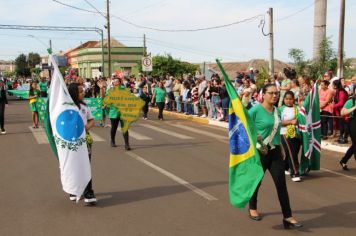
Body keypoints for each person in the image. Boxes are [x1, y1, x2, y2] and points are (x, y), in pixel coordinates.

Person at [248, 84, 302, 229]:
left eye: (276, 93)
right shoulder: (255, 110)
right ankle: (252, 207)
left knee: (281, 185)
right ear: (263, 94)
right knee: (257, 182)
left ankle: (288, 216)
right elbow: (244, 127)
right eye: (271, 93)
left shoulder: (277, 111)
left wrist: (281, 147)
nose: (274, 96)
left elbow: (276, 127)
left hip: (276, 152)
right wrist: (254, 136)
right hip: (260, 152)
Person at [67, 83, 97, 204]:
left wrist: (85, 128)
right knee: (73, 165)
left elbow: (91, 120)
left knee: (86, 165)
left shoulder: (85, 106)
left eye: (83, 90)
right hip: (71, 141)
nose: (83, 93)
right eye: (80, 91)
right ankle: (73, 189)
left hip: (85, 140)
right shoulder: (67, 108)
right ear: (74, 93)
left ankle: (88, 193)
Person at [279, 91, 301, 182]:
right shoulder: (280, 109)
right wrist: (290, 122)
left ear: (294, 99)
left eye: (290, 99)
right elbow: (279, 122)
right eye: (286, 99)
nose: (288, 101)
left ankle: (284, 166)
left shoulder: (297, 109)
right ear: (284, 99)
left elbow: (301, 120)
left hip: (296, 134)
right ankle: (295, 173)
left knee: (293, 152)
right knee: (292, 153)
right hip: (284, 133)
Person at [108, 78, 131, 150]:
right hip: (114, 112)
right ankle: (112, 140)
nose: (116, 83)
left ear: (120, 83)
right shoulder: (110, 91)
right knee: (114, 128)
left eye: (117, 81)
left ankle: (127, 144)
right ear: (113, 83)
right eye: (114, 82)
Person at [339, 86, 356, 170]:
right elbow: (342, 112)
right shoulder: (351, 101)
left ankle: (344, 160)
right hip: (353, 124)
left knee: (354, 146)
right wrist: (354, 107)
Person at [333, 79, 349, 144]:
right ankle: (341, 137)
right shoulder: (338, 91)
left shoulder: (341, 92)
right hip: (339, 111)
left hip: (343, 111)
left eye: (333, 84)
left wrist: (333, 106)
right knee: (341, 124)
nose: (332, 85)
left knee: (344, 125)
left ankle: (344, 138)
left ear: (336, 85)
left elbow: (341, 103)